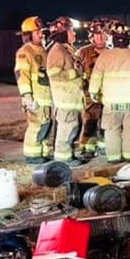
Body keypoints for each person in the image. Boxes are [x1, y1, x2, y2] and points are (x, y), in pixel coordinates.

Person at [88, 23, 130, 163]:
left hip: (112, 103)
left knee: (112, 130)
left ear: (113, 39)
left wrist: (93, 92)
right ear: (129, 40)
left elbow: (96, 77)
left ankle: (114, 157)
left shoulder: (105, 56)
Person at [44, 17, 86, 163]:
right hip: (65, 100)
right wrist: (75, 73)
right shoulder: (57, 50)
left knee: (73, 127)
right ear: (63, 33)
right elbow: (53, 73)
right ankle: (63, 159)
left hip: (72, 98)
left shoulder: (66, 49)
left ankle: (68, 154)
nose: (74, 34)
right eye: (71, 31)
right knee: (67, 129)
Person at [13, 16, 54, 163]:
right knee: (37, 125)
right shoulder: (25, 52)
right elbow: (21, 75)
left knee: (46, 124)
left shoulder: (43, 50)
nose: (41, 34)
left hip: (45, 96)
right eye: (37, 32)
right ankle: (32, 155)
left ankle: (42, 152)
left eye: (41, 31)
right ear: (28, 35)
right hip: (35, 97)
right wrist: (27, 96)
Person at [75, 19, 110, 158]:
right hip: (89, 95)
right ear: (91, 36)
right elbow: (76, 74)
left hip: (109, 94)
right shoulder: (82, 53)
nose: (100, 37)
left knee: (107, 122)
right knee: (90, 121)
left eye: (103, 34)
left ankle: (104, 147)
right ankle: (87, 148)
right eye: (97, 34)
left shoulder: (113, 52)